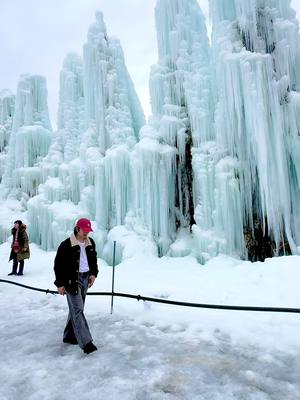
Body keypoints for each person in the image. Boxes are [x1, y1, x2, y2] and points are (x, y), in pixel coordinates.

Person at [54, 218, 99, 354]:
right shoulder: (66, 245)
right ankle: (87, 343)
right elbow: (58, 265)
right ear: (77, 229)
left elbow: (93, 260)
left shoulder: (91, 243)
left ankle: (69, 335)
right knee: (78, 309)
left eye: (88, 231)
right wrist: (60, 284)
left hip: (85, 278)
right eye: (84, 230)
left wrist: (93, 274)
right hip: (71, 280)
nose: (86, 233)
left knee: (76, 308)